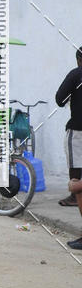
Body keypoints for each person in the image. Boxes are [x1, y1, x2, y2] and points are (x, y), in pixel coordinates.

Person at [55, 46, 82, 247]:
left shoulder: (75, 74)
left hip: (78, 132)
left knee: (77, 183)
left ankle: (74, 195)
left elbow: (60, 100)